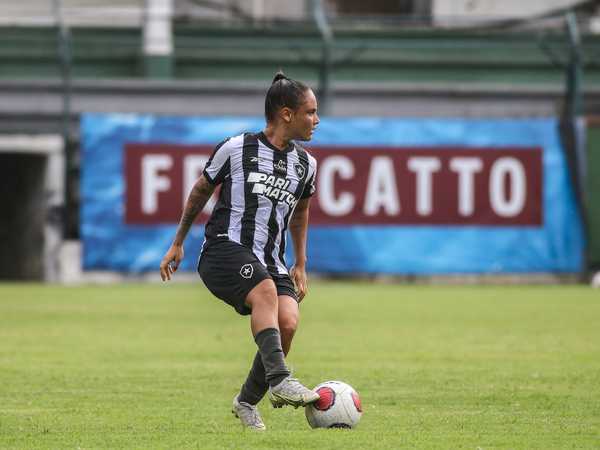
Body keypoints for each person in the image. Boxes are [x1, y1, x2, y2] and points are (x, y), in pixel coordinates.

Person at [159, 71, 320, 431]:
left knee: (289, 323)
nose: (316, 120)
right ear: (286, 114)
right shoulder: (235, 149)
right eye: (310, 112)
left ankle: (246, 402)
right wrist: (178, 242)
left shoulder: (306, 164)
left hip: (271, 260)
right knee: (264, 292)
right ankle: (280, 380)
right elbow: (200, 191)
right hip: (223, 250)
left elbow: (302, 211)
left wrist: (301, 262)